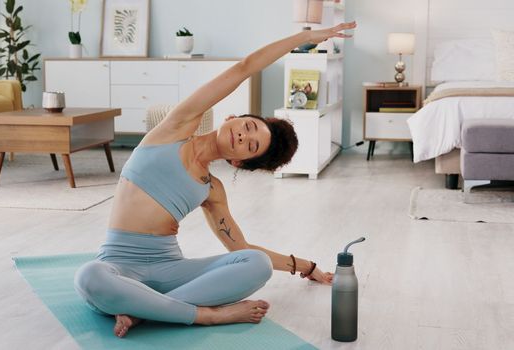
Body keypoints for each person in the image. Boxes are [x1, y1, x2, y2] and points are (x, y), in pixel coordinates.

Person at [74, 22, 357, 338]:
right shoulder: (175, 127)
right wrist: (304, 37)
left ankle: (145, 309)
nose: (243, 136)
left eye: (251, 147)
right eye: (249, 127)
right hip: (119, 264)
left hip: (171, 272)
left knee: (256, 264)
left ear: (239, 161)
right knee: (89, 277)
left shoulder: (212, 189)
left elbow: (242, 247)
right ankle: (204, 316)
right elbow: (244, 68)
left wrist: (307, 266)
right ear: (233, 118)